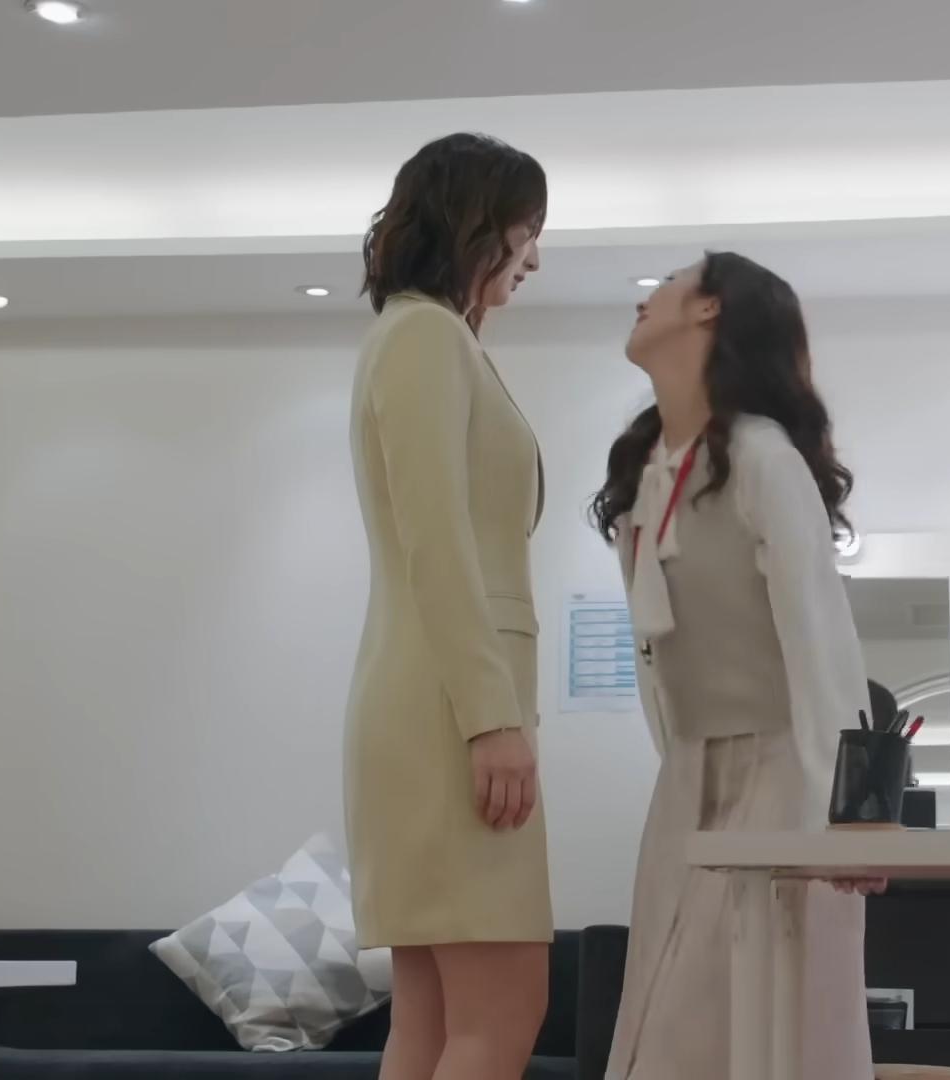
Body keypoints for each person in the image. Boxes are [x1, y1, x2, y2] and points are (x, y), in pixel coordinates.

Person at [590, 252, 876, 1080]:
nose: (646, 297)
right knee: (663, 1026)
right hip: (685, 785)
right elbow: (658, 662)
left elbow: (823, 645)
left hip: (783, 782)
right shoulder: (645, 472)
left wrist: (850, 819)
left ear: (711, 309)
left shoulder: (762, 458)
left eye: (669, 283)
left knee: (749, 1029)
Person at [345, 132, 550, 1080]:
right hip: (452, 709)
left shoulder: (425, 335)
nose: (533, 258)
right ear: (478, 224)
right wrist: (492, 718)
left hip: (428, 701)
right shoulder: (425, 337)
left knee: (432, 1023)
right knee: (501, 1010)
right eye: (525, 231)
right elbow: (439, 540)